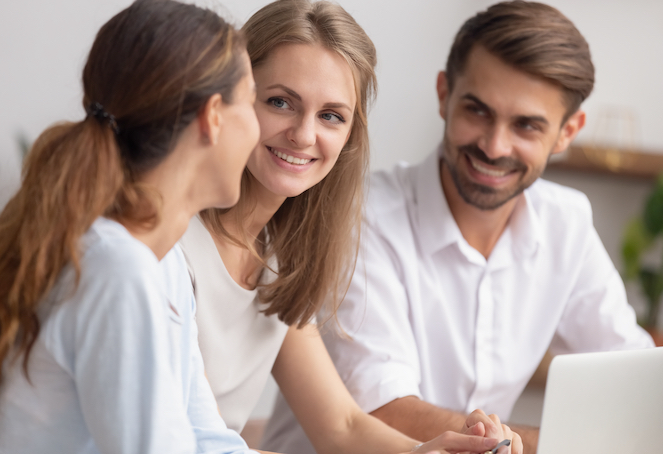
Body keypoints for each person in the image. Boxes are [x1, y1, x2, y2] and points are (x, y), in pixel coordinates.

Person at [261, 2, 656, 454]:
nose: (494, 145)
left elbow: (637, 377)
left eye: (526, 126)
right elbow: (383, 408)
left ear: (568, 132)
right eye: (479, 111)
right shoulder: (360, 214)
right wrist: (552, 445)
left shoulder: (566, 222)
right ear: (444, 94)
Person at [179, 0, 520, 453]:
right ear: (233, 100)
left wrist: (434, 450)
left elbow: (341, 425)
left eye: (330, 116)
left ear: (350, 136)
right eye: (280, 102)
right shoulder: (174, 242)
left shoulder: (278, 258)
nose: (303, 135)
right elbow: (185, 438)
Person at [0, 1, 261, 453]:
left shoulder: (162, 265)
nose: (258, 130)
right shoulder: (115, 270)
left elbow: (207, 439)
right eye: (254, 103)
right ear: (213, 116)